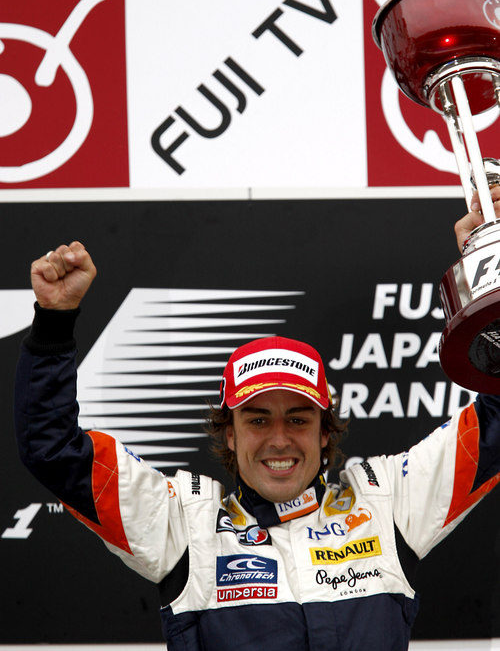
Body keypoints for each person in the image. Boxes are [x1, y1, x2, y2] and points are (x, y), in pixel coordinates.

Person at [15, 191, 500, 651]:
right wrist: (54, 321)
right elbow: (53, 449)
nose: (280, 439)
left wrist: (490, 270)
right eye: (258, 420)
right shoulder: (187, 525)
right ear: (229, 432)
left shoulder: (385, 502)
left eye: (298, 418)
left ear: (325, 430)